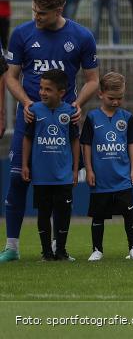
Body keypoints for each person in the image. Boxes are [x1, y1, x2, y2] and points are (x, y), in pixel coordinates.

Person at [0, 0, 99, 264]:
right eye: (34, 11)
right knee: (17, 178)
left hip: (64, 123)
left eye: (42, 13)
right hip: (30, 119)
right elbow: (10, 77)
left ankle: (57, 246)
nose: (36, 17)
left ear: (59, 10)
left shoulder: (82, 36)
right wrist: (26, 102)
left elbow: (93, 80)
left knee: (59, 185)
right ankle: (12, 246)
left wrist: (77, 104)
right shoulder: (21, 34)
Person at [80, 71, 133, 261]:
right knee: (98, 216)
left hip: (122, 178)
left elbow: (131, 144)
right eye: (111, 98)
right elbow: (86, 145)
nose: (116, 102)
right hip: (101, 179)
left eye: (120, 98)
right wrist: (89, 170)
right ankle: (97, 250)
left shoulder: (127, 117)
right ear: (101, 94)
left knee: (129, 215)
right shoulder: (92, 118)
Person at [20, 70, 80, 261]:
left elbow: (75, 141)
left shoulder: (70, 112)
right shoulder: (34, 111)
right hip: (41, 175)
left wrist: (75, 169)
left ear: (61, 92)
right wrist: (25, 165)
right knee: (43, 214)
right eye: (41, 88)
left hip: (63, 175)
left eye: (48, 89)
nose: (42, 92)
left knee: (63, 214)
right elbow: (27, 138)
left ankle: (61, 251)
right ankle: (46, 253)